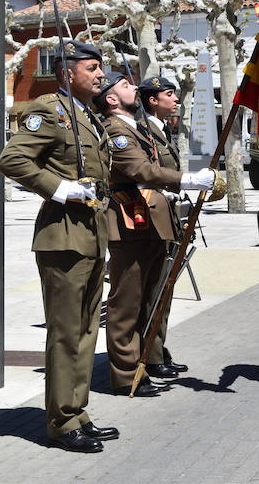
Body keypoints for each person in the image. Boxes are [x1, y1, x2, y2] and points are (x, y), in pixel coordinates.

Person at [0, 40, 117, 453]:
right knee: (66, 333)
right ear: (68, 72)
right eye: (92, 68)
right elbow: (12, 160)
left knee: (86, 331)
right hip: (62, 237)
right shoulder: (49, 111)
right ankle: (62, 423)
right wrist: (61, 189)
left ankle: (76, 412)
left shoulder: (89, 117)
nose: (101, 75)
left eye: (100, 69)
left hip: (89, 235)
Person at [94, 73, 220, 397]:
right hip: (127, 219)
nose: (134, 88)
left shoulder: (133, 128)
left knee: (147, 297)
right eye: (125, 85)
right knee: (127, 302)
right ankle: (125, 376)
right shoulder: (116, 131)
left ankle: (142, 361)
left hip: (147, 219)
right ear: (110, 98)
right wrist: (189, 181)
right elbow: (142, 171)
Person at [140, 76, 190, 376]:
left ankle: (159, 348)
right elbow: (147, 173)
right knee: (155, 290)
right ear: (152, 101)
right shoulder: (143, 131)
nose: (176, 99)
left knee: (165, 290)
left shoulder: (160, 130)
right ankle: (152, 355)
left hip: (169, 216)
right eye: (169, 94)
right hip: (152, 219)